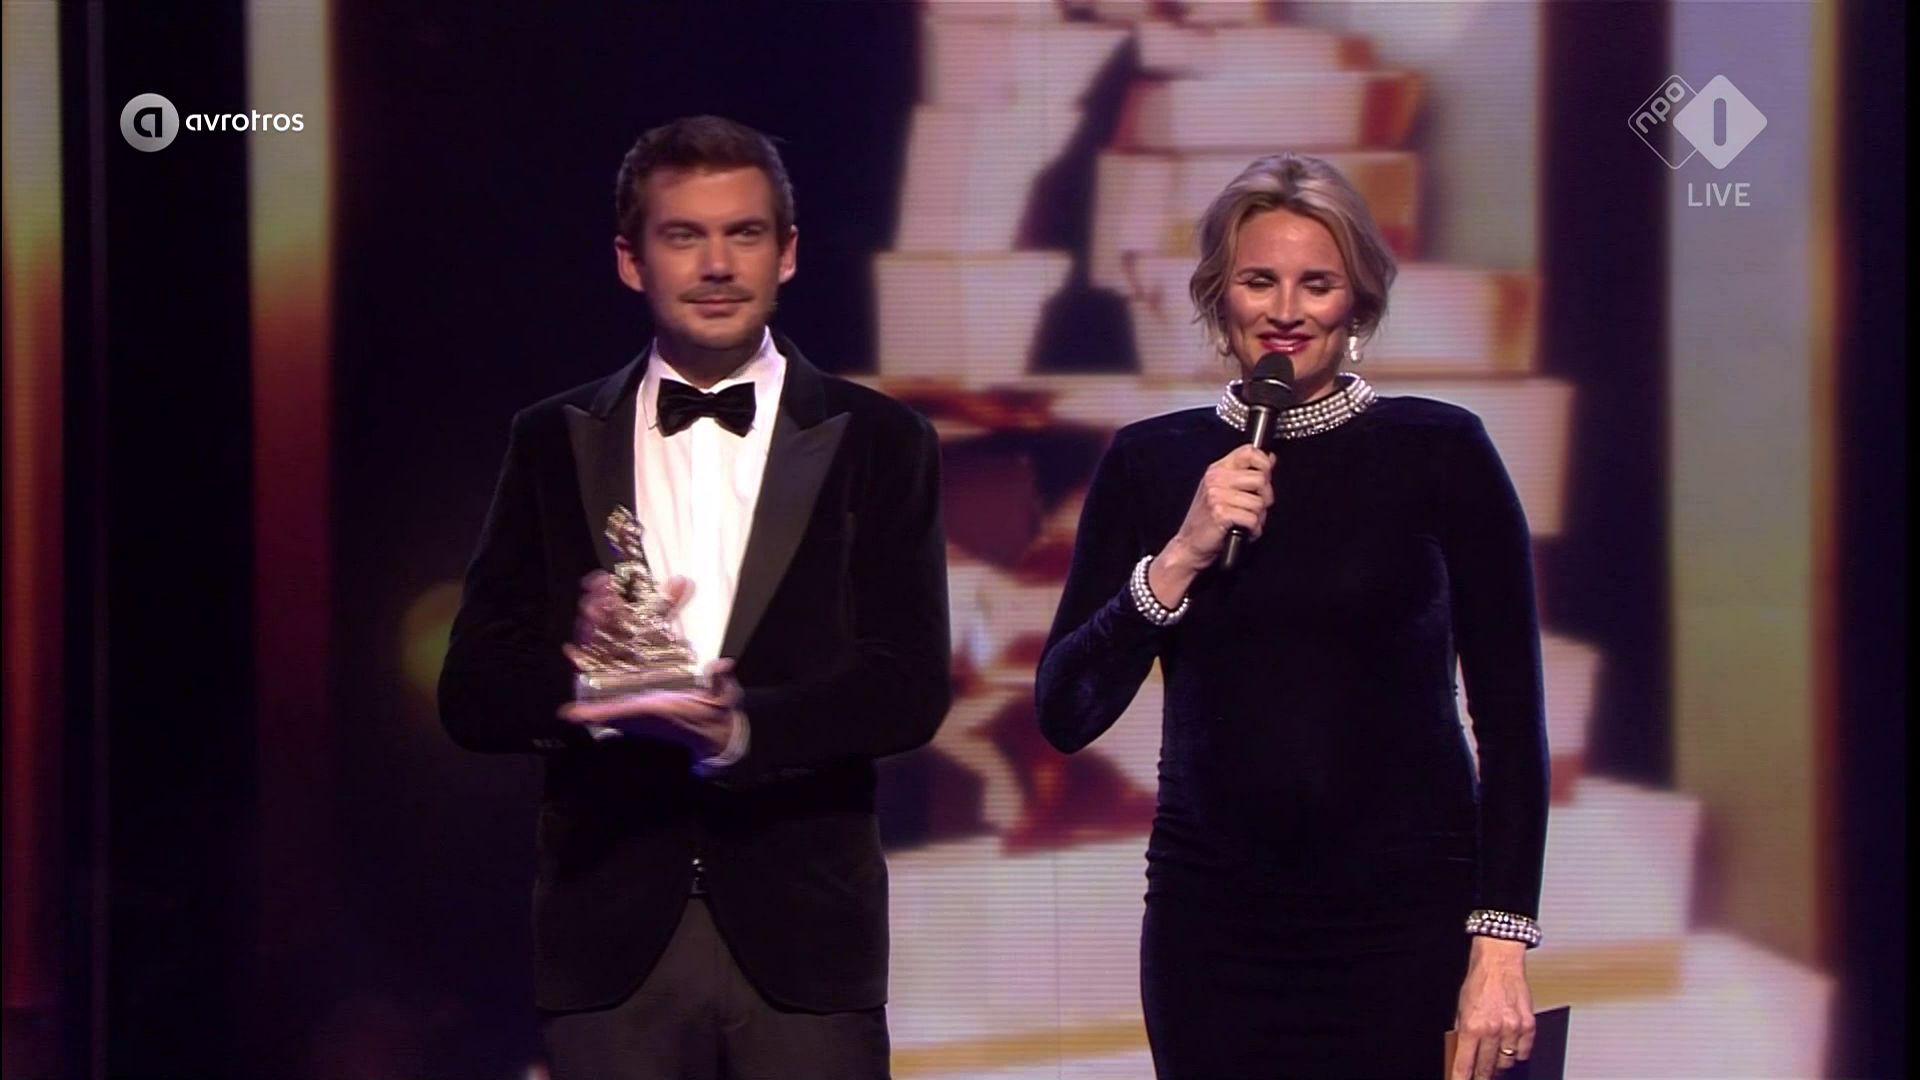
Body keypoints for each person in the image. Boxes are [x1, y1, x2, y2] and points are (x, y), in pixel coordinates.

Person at [439, 115, 951, 1080]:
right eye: (684, 236)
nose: (717, 265)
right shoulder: (550, 439)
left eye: (743, 233)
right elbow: (471, 692)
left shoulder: (883, 440)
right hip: (610, 940)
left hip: (807, 940)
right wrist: (591, 686)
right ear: (631, 260)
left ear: (787, 253)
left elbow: (910, 686)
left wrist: (741, 729)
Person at [1034, 152, 1549, 1080]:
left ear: (1358, 304)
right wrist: (1182, 555)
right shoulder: (1154, 463)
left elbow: (1512, 724)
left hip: (1404, 933)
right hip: (1214, 939)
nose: (1285, 310)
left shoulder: (1442, 452)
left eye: (1317, 284)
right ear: (1217, 297)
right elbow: (1067, 710)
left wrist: (1501, 942)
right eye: (1258, 281)